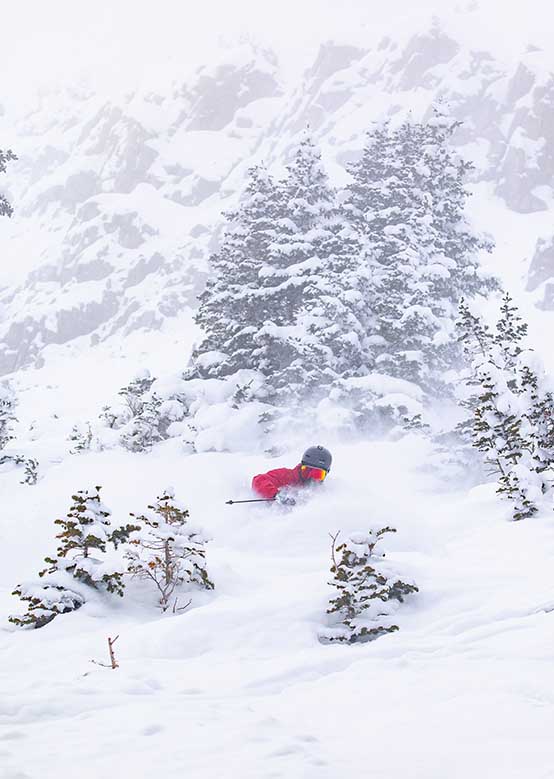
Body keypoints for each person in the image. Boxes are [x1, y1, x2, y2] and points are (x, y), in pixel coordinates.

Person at [252, 445, 332, 504]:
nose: (311, 478)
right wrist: (276, 494)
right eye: (306, 471)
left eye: (318, 475)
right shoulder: (288, 476)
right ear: (301, 467)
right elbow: (259, 480)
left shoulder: (322, 492)